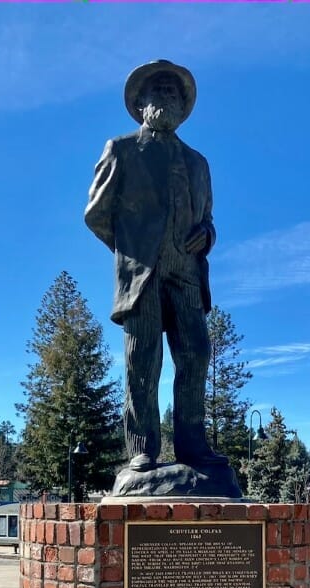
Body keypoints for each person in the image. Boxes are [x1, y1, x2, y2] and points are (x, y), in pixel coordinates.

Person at [85, 60, 228, 473]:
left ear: (183, 108)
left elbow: (209, 220)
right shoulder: (122, 150)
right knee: (142, 360)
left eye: (173, 93)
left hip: (186, 273)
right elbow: (96, 214)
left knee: (196, 355)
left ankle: (192, 446)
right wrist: (131, 250)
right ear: (140, 103)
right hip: (142, 275)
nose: (166, 98)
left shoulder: (199, 163)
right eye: (158, 91)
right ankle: (143, 447)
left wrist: (207, 236)